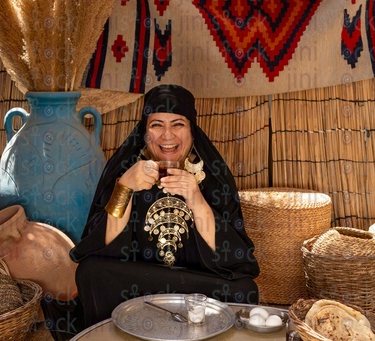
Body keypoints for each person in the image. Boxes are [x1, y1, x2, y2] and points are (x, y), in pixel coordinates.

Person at [69, 84, 260, 330]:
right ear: (144, 132)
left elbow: (234, 257)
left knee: (245, 289)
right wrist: (125, 187)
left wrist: (196, 198)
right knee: (90, 272)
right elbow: (100, 245)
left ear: (192, 130)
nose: (167, 136)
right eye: (157, 125)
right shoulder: (125, 171)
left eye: (178, 124)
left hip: (193, 284)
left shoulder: (214, 176)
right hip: (139, 280)